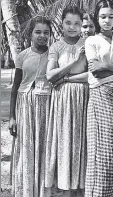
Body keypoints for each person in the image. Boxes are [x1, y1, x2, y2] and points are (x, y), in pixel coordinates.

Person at [84, 0, 113, 197]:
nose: (107, 20)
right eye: (103, 16)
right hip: (101, 96)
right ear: (96, 18)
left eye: (111, 16)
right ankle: (99, 193)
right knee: (102, 151)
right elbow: (96, 72)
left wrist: (106, 65)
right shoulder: (91, 41)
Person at [45, 6, 88, 197]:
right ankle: (63, 187)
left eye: (77, 23)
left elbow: (92, 75)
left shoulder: (88, 43)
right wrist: (74, 61)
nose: (72, 27)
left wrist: (67, 77)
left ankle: (81, 187)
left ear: (82, 25)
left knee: (82, 140)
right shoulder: (56, 46)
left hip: (83, 98)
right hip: (62, 100)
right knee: (64, 139)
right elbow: (50, 75)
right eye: (68, 23)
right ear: (61, 23)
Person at [9, 16, 52, 197]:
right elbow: (16, 87)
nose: (42, 36)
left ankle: (44, 190)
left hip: (46, 104)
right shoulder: (22, 56)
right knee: (26, 145)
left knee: (44, 146)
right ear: (31, 33)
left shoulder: (54, 54)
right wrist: (12, 117)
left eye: (46, 33)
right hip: (25, 105)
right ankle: (25, 189)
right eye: (38, 32)